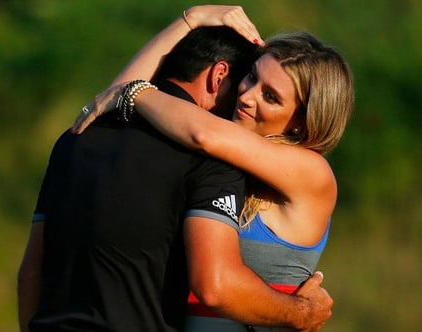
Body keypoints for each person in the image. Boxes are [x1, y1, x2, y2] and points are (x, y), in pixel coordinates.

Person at [18, 6, 333, 332]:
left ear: (300, 123)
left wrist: (135, 92)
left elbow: (199, 131)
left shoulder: (311, 171)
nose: (246, 95)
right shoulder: (220, 156)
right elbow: (107, 107)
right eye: (251, 76)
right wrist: (190, 19)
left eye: (270, 95)